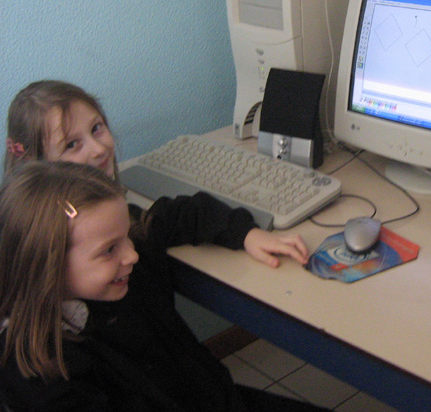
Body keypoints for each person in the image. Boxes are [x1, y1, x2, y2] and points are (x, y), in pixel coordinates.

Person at [0, 161, 327, 411]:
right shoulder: (39, 373)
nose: (132, 255)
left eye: (127, 234)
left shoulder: (113, 269)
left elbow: (180, 213)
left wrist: (245, 233)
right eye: (109, 250)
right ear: (46, 267)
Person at [4, 79, 309, 268]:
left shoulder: (123, 221)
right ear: (31, 160)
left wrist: (246, 233)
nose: (98, 149)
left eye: (97, 128)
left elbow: (184, 214)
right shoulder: (48, 262)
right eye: (72, 144)